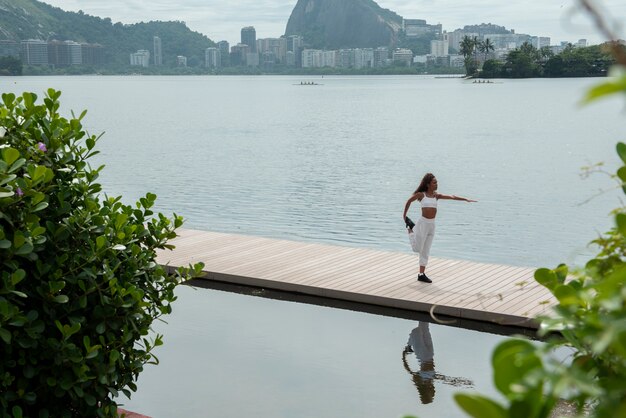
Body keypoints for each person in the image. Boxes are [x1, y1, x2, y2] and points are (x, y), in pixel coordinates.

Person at [402, 173, 476, 283]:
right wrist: (404, 215)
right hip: (423, 224)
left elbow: (452, 197)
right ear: (428, 184)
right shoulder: (421, 195)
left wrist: (465, 199)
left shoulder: (436, 196)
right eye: (434, 182)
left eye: (437, 182)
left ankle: (421, 274)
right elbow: (409, 201)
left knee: (425, 250)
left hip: (432, 225)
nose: (436, 184)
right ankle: (410, 229)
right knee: (417, 249)